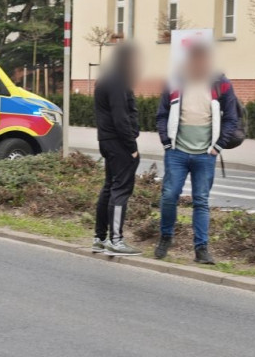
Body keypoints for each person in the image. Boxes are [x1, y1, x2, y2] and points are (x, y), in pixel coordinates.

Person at [154, 41, 240, 264]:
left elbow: (231, 118)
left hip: (205, 154)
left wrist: (217, 147)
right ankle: (165, 237)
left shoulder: (220, 83)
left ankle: (201, 249)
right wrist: (166, 141)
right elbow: (162, 114)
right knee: (169, 196)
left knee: (201, 201)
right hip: (177, 152)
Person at [93, 42, 142, 256]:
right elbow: (120, 116)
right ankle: (116, 240)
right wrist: (131, 146)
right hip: (119, 142)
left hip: (107, 140)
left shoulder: (106, 79)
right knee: (120, 190)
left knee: (109, 187)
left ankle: (99, 237)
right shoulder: (117, 82)